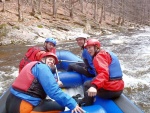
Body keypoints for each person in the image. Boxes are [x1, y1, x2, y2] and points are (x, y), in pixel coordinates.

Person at [6, 52, 85, 113]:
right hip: (22, 108)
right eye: (50, 59)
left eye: (53, 62)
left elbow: (34, 85)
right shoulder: (43, 67)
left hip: (10, 102)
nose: (52, 62)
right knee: (60, 106)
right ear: (43, 59)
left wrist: (55, 84)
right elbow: (53, 92)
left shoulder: (32, 65)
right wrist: (72, 104)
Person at [78, 38, 124, 106]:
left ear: (96, 47)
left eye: (90, 47)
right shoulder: (106, 53)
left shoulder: (99, 57)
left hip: (110, 91)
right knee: (93, 80)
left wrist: (94, 86)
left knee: (87, 84)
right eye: (87, 48)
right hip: (119, 88)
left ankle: (88, 104)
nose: (88, 50)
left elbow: (104, 73)